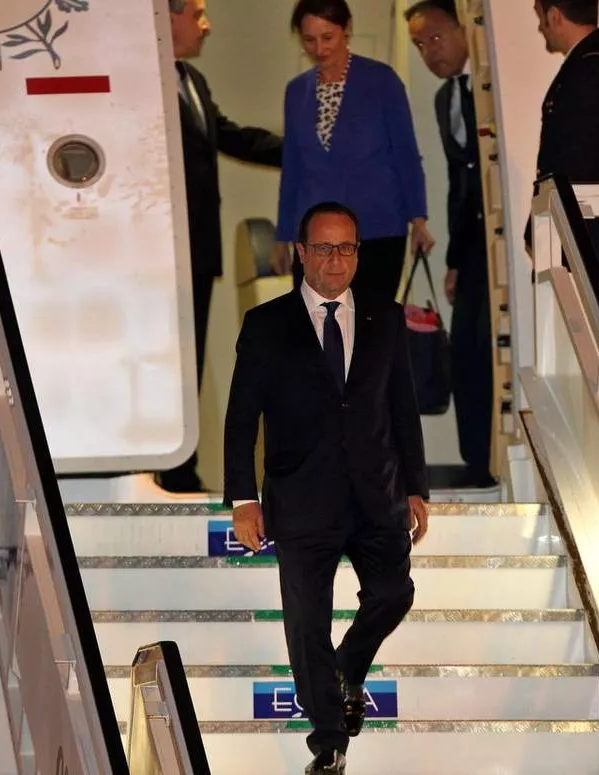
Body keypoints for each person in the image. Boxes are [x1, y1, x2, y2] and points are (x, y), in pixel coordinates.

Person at [223, 201, 429, 774]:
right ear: (300, 253)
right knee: (305, 621)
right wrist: (244, 499)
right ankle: (329, 742)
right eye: (323, 248)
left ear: (358, 253)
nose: (335, 260)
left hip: (377, 495)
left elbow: (402, 410)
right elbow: (242, 418)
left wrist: (416, 486)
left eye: (346, 248)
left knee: (394, 592)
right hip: (300, 497)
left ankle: (345, 669)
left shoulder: (386, 319)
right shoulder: (266, 324)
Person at [159, 0, 283, 493]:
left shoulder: (191, 80)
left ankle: (179, 467)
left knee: (191, 362)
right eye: (197, 13)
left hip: (199, 250)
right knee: (164, 364)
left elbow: (229, 136)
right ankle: (164, 467)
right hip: (160, 254)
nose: (206, 25)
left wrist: (301, 150)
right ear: (165, 17)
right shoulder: (140, 83)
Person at [271, 0, 435, 310]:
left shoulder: (382, 81)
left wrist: (418, 219)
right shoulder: (296, 92)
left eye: (327, 37)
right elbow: (292, 168)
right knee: (317, 329)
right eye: (309, 40)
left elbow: (406, 154)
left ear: (347, 30)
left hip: (376, 229)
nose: (319, 48)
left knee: (369, 331)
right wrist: (283, 235)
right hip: (315, 234)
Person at [405, 0, 495, 487]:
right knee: (462, 355)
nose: (428, 52)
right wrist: (455, 259)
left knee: (484, 350)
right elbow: (459, 187)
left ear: (465, 30)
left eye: (436, 38)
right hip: (471, 251)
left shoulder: (493, 89)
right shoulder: (446, 100)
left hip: (500, 249)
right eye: (420, 45)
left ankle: (489, 462)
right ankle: (475, 462)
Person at [525, 0, 599, 272]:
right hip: (592, 227)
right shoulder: (595, 64)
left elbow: (576, 158)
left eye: (540, 18)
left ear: (555, 16)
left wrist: (543, 222)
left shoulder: (593, 69)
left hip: (594, 234)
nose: (540, 28)